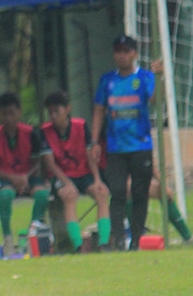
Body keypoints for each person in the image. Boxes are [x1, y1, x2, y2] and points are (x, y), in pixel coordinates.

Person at [90, 35, 163, 251]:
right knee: (118, 192)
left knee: (140, 193)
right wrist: (95, 142)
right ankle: (119, 239)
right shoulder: (107, 80)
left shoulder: (145, 77)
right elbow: (99, 111)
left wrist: (160, 78)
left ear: (134, 54)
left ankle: (137, 239)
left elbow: (156, 100)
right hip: (115, 148)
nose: (121, 56)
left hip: (140, 146)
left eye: (126, 51)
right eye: (118, 51)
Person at [40, 90, 111, 252]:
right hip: (61, 176)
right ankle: (77, 245)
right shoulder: (45, 131)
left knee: (102, 193)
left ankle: (104, 242)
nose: (53, 116)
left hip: (83, 173)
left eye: (57, 111)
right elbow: (50, 163)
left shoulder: (80, 126)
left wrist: (97, 179)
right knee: (70, 195)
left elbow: (89, 155)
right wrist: (66, 183)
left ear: (67, 109)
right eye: (50, 112)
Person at [0, 92, 49, 250]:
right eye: (4, 114)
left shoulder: (31, 133)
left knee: (42, 194)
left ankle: (33, 233)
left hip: (28, 176)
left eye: (12, 113)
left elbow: (37, 163)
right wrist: (14, 179)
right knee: (5, 195)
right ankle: (7, 237)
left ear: (19, 112)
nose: (8, 118)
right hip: (6, 179)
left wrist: (25, 177)